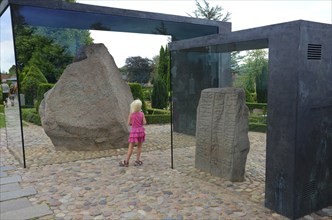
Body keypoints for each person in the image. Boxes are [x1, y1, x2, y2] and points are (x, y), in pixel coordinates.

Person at [119, 99, 147, 167]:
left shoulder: (131, 114)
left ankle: (126, 161)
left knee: (130, 147)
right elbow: (144, 122)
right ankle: (137, 161)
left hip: (134, 131)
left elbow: (129, 123)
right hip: (140, 131)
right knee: (139, 147)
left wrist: (133, 123)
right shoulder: (142, 114)